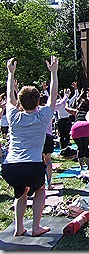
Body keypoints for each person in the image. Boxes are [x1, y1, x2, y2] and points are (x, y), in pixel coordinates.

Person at [2, 56, 59, 237]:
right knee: (40, 189)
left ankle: (19, 227)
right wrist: (54, 73)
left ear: (20, 101)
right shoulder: (43, 117)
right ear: (37, 101)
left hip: (10, 167)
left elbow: (10, 95)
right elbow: (54, 94)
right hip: (32, 165)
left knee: (21, 193)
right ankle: (35, 227)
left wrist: (10, 73)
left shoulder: (13, 116)